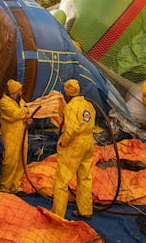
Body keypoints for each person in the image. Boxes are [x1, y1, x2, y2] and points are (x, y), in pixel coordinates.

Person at [52, 79, 96, 220]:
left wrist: (63, 143)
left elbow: (71, 130)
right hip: (88, 143)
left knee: (62, 181)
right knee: (84, 177)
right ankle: (86, 210)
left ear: (67, 92)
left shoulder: (70, 107)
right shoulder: (88, 105)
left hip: (75, 145)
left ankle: (58, 215)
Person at [0, 79, 32, 194]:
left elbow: (25, 112)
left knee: (21, 161)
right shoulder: (4, 102)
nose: (21, 93)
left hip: (22, 135)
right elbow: (14, 114)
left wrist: (28, 119)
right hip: (10, 137)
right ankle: (5, 187)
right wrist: (25, 113)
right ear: (14, 92)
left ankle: (16, 186)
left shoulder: (21, 101)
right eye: (19, 91)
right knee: (10, 162)